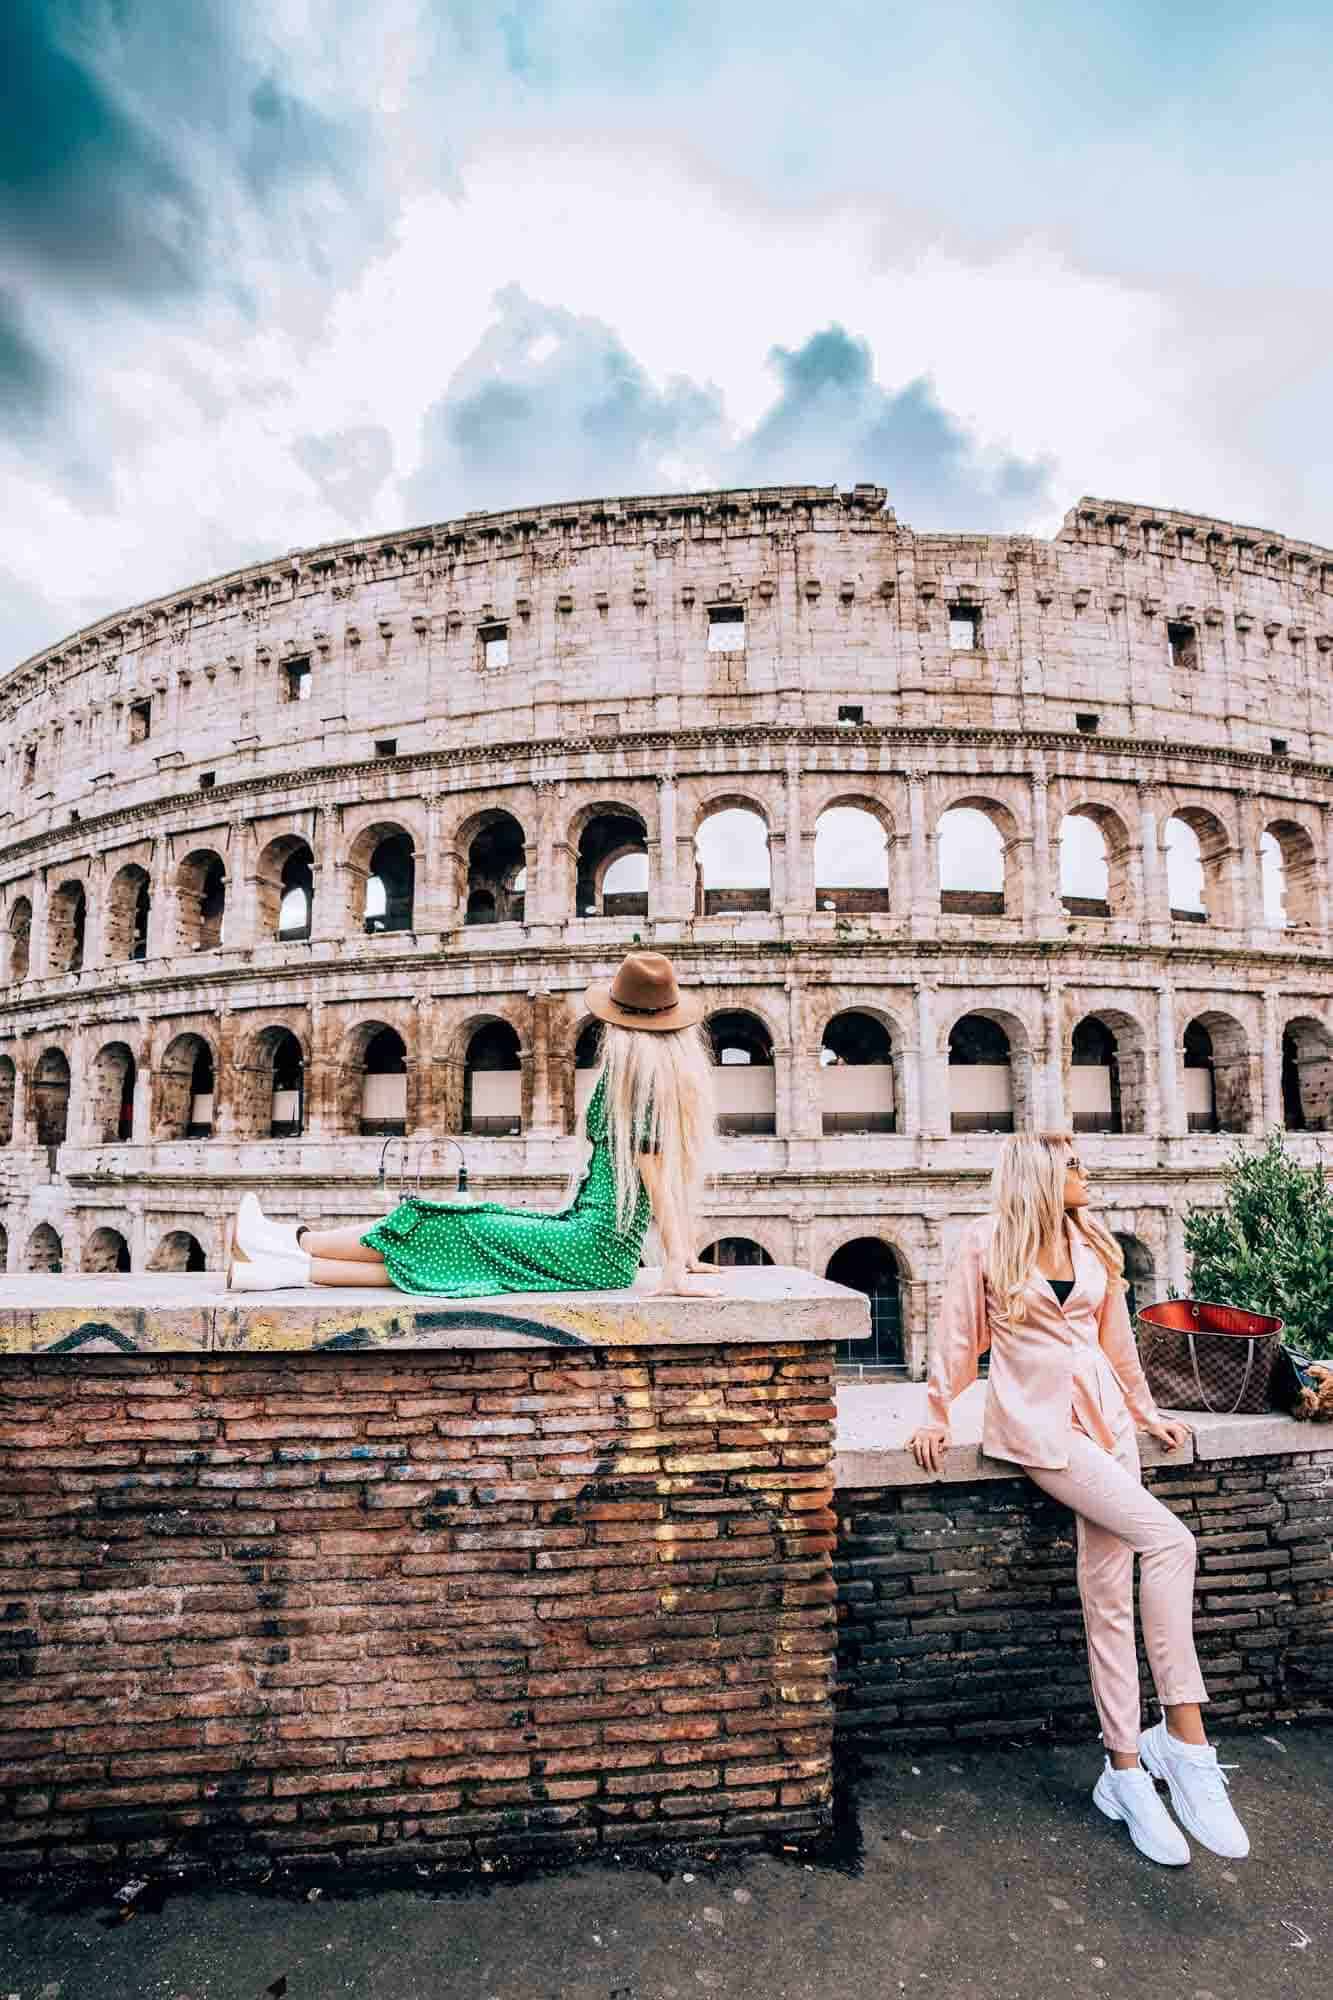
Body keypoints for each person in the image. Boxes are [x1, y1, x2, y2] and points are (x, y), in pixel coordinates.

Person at [906, 1133, 1250, 1867]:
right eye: (1071, 1165)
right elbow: (958, 1333)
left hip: (1108, 1425)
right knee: (1171, 1541)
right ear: (1038, 1175)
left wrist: (1145, 1407)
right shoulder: (986, 1242)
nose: (1084, 1172)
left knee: (1109, 1601)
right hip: (1043, 1433)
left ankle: (1123, 1770)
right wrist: (937, 1408)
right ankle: (1185, 1742)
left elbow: (1114, 1338)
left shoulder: (1091, 1237)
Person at [226, 951, 720, 1300]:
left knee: (449, 1225)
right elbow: (661, 1179)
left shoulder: (640, 1082)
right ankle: (277, 1266)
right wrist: (686, 1251)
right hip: (590, 1243)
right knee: (454, 1255)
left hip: (592, 1248)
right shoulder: (648, 1076)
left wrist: (677, 1261)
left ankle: (287, 1241)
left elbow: (654, 1172)